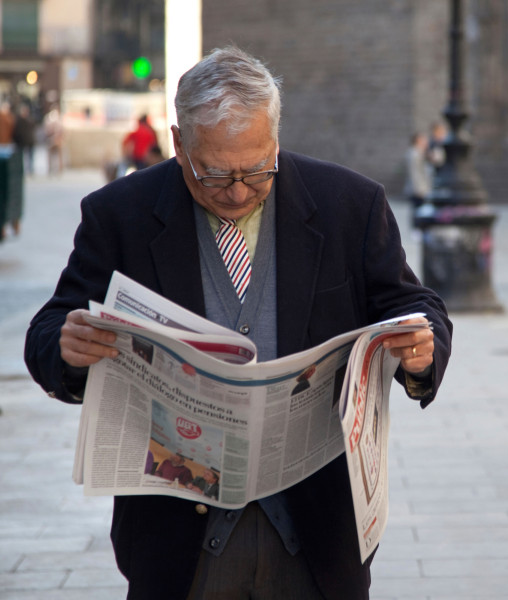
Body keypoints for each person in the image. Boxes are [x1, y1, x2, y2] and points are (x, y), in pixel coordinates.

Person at [24, 45, 452, 600]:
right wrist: (66, 344)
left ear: (275, 138)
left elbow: (413, 304)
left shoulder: (350, 203)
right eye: (216, 174)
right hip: (180, 545)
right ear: (179, 144)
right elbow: (50, 327)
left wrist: (421, 349)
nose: (240, 189)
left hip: (315, 537)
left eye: (258, 169)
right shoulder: (119, 215)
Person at [404, 131, 432, 212]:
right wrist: (419, 189)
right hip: (418, 190)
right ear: (418, 140)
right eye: (424, 140)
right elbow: (414, 173)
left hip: (421, 188)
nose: (426, 142)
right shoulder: (414, 153)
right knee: (418, 211)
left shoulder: (420, 152)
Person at [12, 104, 36, 175]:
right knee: (21, 157)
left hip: (29, 140)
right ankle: (21, 169)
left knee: (30, 156)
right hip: (21, 141)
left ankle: (30, 170)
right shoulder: (19, 120)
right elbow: (16, 131)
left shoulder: (30, 119)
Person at [43, 105, 63, 175]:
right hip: (56, 138)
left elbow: (46, 130)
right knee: (57, 156)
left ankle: (50, 169)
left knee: (50, 156)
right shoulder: (58, 118)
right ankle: (58, 170)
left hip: (50, 138)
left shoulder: (48, 118)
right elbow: (61, 129)